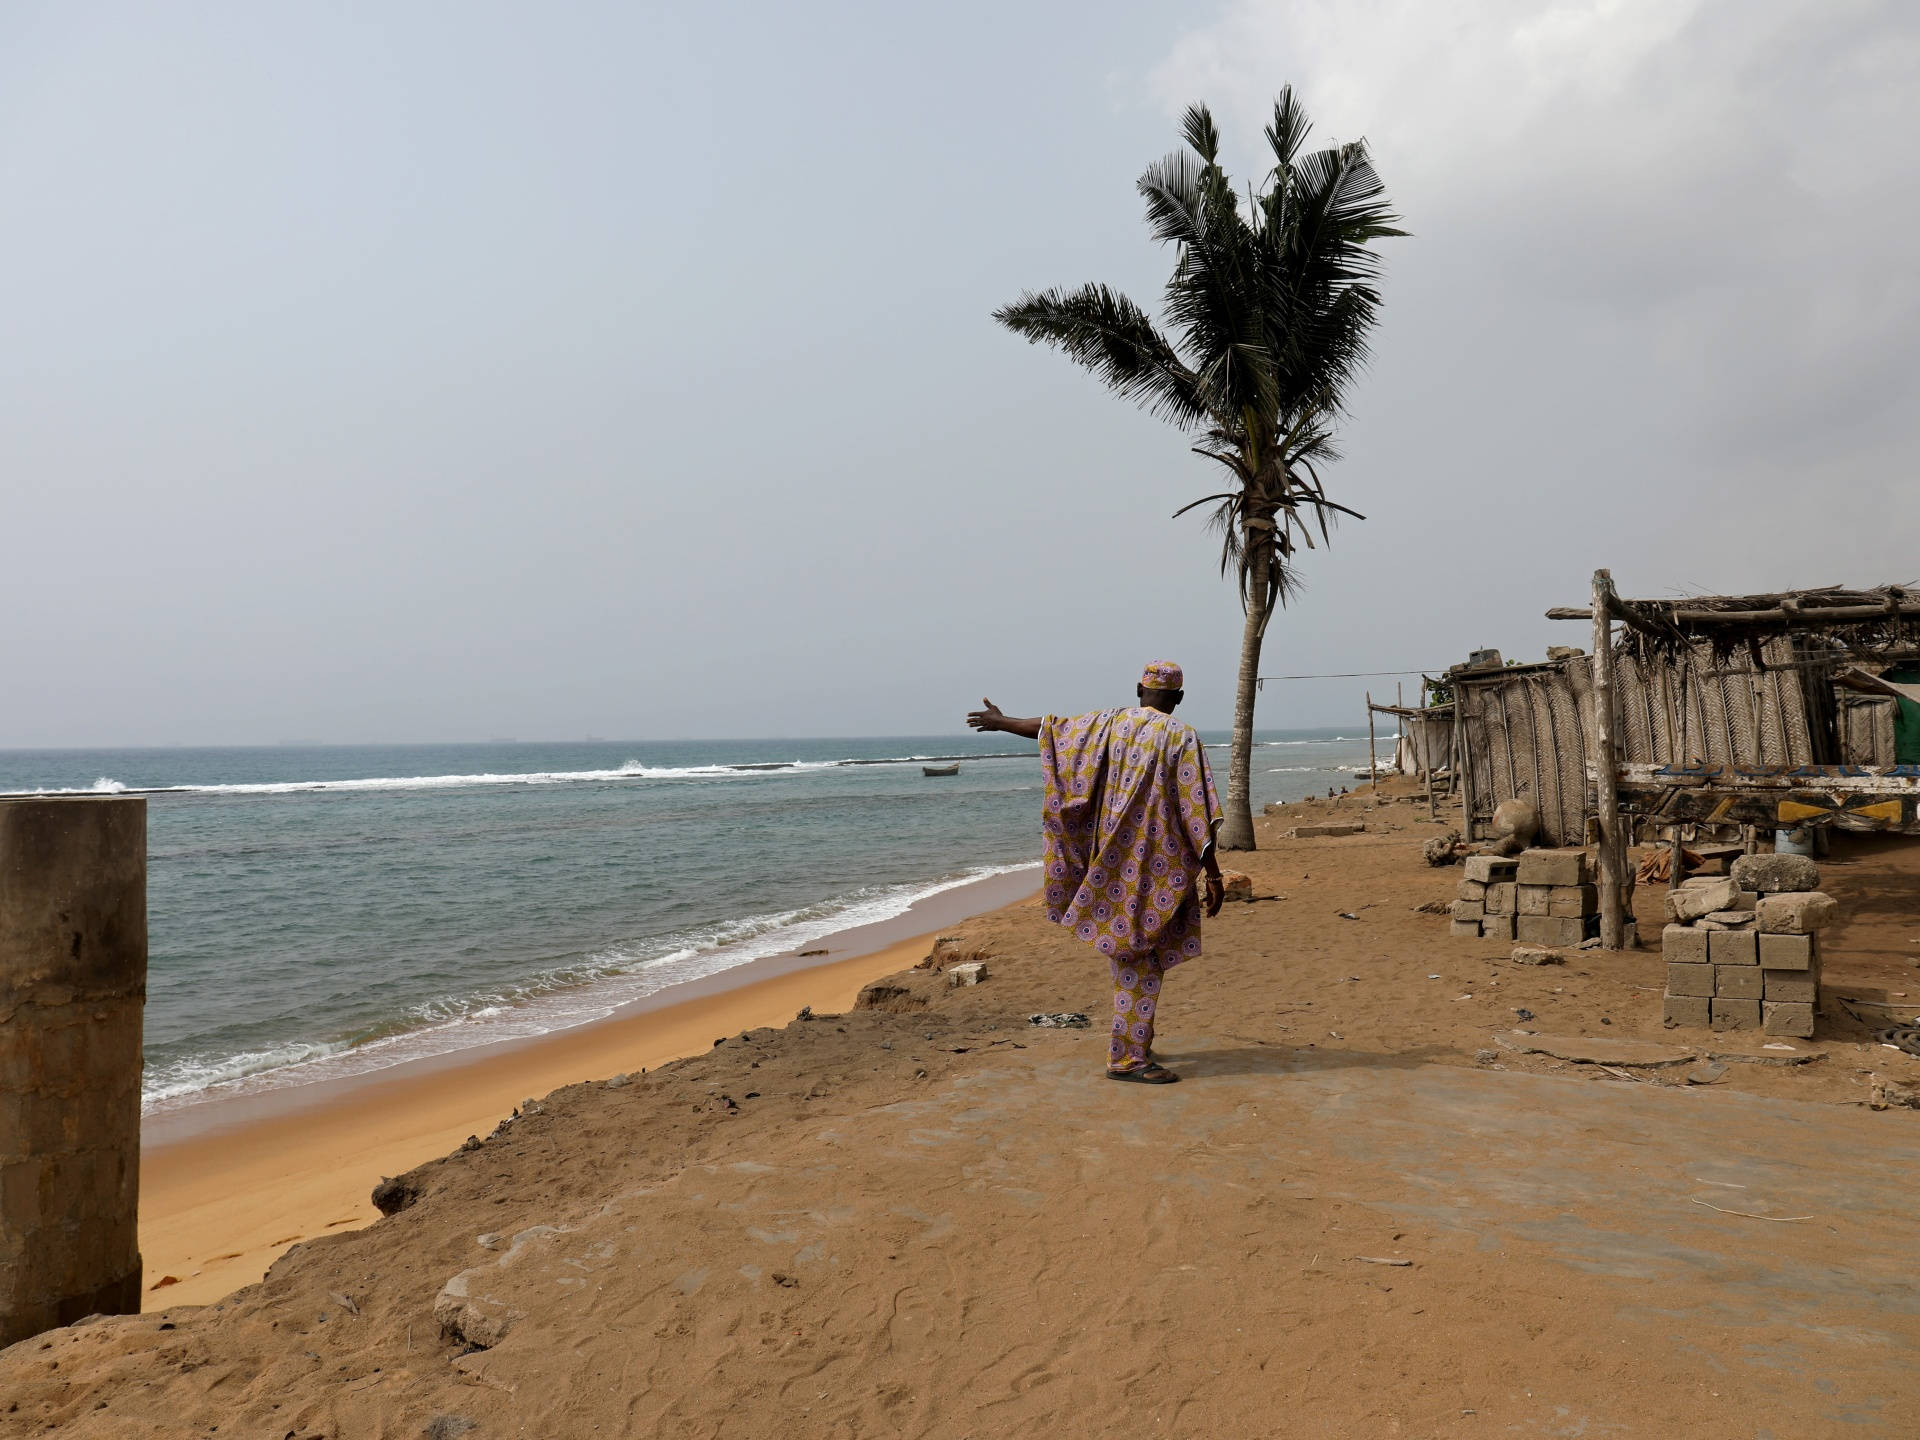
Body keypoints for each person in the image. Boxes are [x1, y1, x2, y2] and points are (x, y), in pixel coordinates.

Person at [967, 662, 1223, 1084]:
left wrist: (1001, 721)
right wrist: (1212, 874)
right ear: (1177, 698)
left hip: (1109, 865)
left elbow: (1049, 729)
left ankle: (1139, 1038)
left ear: (1139, 689)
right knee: (1138, 958)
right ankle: (1127, 1059)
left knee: (1137, 954)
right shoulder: (1180, 735)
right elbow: (1197, 811)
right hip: (1155, 869)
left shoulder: (1107, 724)